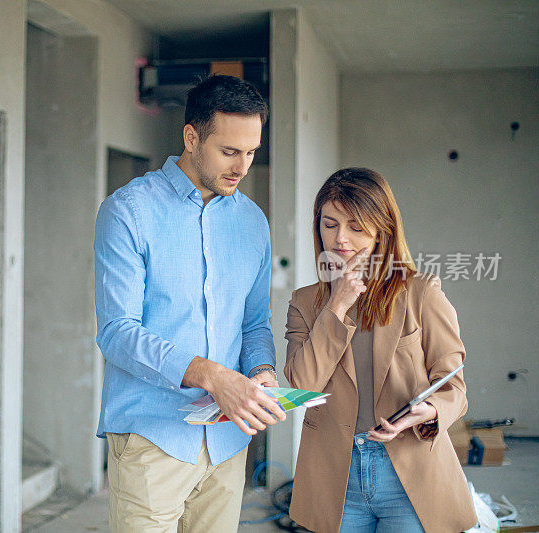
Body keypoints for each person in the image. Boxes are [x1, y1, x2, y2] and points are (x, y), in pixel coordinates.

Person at [94, 75, 286, 532]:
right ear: (191, 137)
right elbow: (117, 332)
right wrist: (212, 375)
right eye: (229, 151)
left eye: (252, 152)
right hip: (152, 439)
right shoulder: (128, 212)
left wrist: (261, 371)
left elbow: (255, 322)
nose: (242, 167)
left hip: (227, 443)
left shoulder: (253, 223)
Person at [284, 167, 477, 532]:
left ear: (381, 229)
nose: (340, 238)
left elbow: (454, 387)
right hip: (335, 477)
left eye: (356, 226)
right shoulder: (305, 303)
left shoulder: (421, 293)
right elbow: (301, 384)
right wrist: (335, 307)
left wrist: (430, 411)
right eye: (330, 224)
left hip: (409, 471)